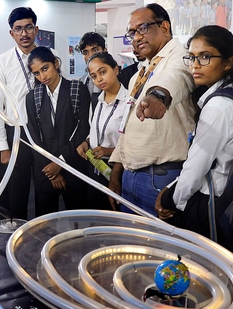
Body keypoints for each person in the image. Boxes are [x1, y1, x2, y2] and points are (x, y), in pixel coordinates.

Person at [153, 25, 233, 255]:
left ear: (228, 62)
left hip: (210, 203)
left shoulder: (219, 105)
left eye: (205, 57)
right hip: (230, 199)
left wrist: (172, 201)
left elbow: (197, 166)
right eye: (192, 57)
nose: (195, 65)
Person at [108, 3, 196, 216]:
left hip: (160, 179)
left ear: (164, 28)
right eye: (132, 33)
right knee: (131, 246)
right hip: (130, 177)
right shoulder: (141, 72)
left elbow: (177, 78)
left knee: (159, 247)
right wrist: (116, 173)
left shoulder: (181, 57)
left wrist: (157, 96)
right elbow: (126, 125)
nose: (136, 37)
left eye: (143, 28)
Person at [0, 7, 64, 220]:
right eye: (18, 29)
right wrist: (3, 147)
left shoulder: (52, 56)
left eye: (28, 27)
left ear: (36, 29)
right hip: (17, 133)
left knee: (45, 188)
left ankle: (45, 230)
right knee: (17, 190)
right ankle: (18, 234)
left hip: (46, 133)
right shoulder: (1, 62)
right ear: (11, 33)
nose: (24, 33)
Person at [25, 47, 90, 216]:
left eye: (45, 68)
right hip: (45, 170)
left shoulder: (77, 90)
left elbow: (83, 129)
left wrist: (59, 163)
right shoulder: (33, 97)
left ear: (56, 63)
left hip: (73, 167)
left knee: (78, 223)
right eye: (37, 73)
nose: (42, 76)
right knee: (44, 224)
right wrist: (52, 171)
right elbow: (33, 136)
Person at [76, 52, 127, 211]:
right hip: (95, 168)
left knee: (113, 220)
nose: (98, 79)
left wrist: (109, 151)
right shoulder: (97, 100)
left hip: (117, 169)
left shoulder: (129, 102)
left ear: (116, 70)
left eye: (103, 72)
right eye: (93, 76)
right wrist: (86, 142)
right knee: (95, 216)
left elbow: (131, 141)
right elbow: (94, 129)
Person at [76, 32, 107, 110]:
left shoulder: (117, 78)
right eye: (85, 53)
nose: (90, 56)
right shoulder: (81, 82)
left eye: (95, 50)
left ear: (104, 51)